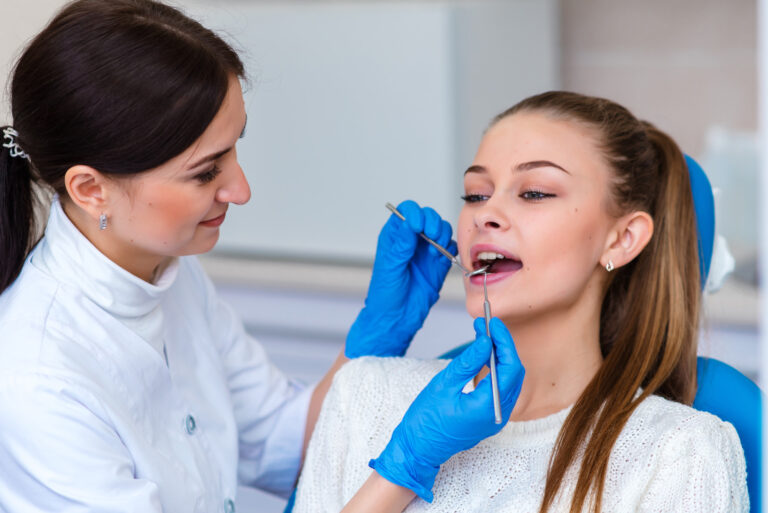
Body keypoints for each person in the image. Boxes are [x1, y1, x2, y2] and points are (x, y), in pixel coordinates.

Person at [0, 0, 524, 511]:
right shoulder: (37, 381)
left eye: (235, 147)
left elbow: (283, 443)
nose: (241, 189)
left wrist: (373, 347)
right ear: (91, 189)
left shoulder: (174, 274)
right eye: (206, 172)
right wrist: (403, 467)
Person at [294, 91, 749, 512]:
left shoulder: (680, 453)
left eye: (534, 192)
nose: (485, 214)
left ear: (622, 239)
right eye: (475, 194)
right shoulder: (363, 394)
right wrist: (400, 470)